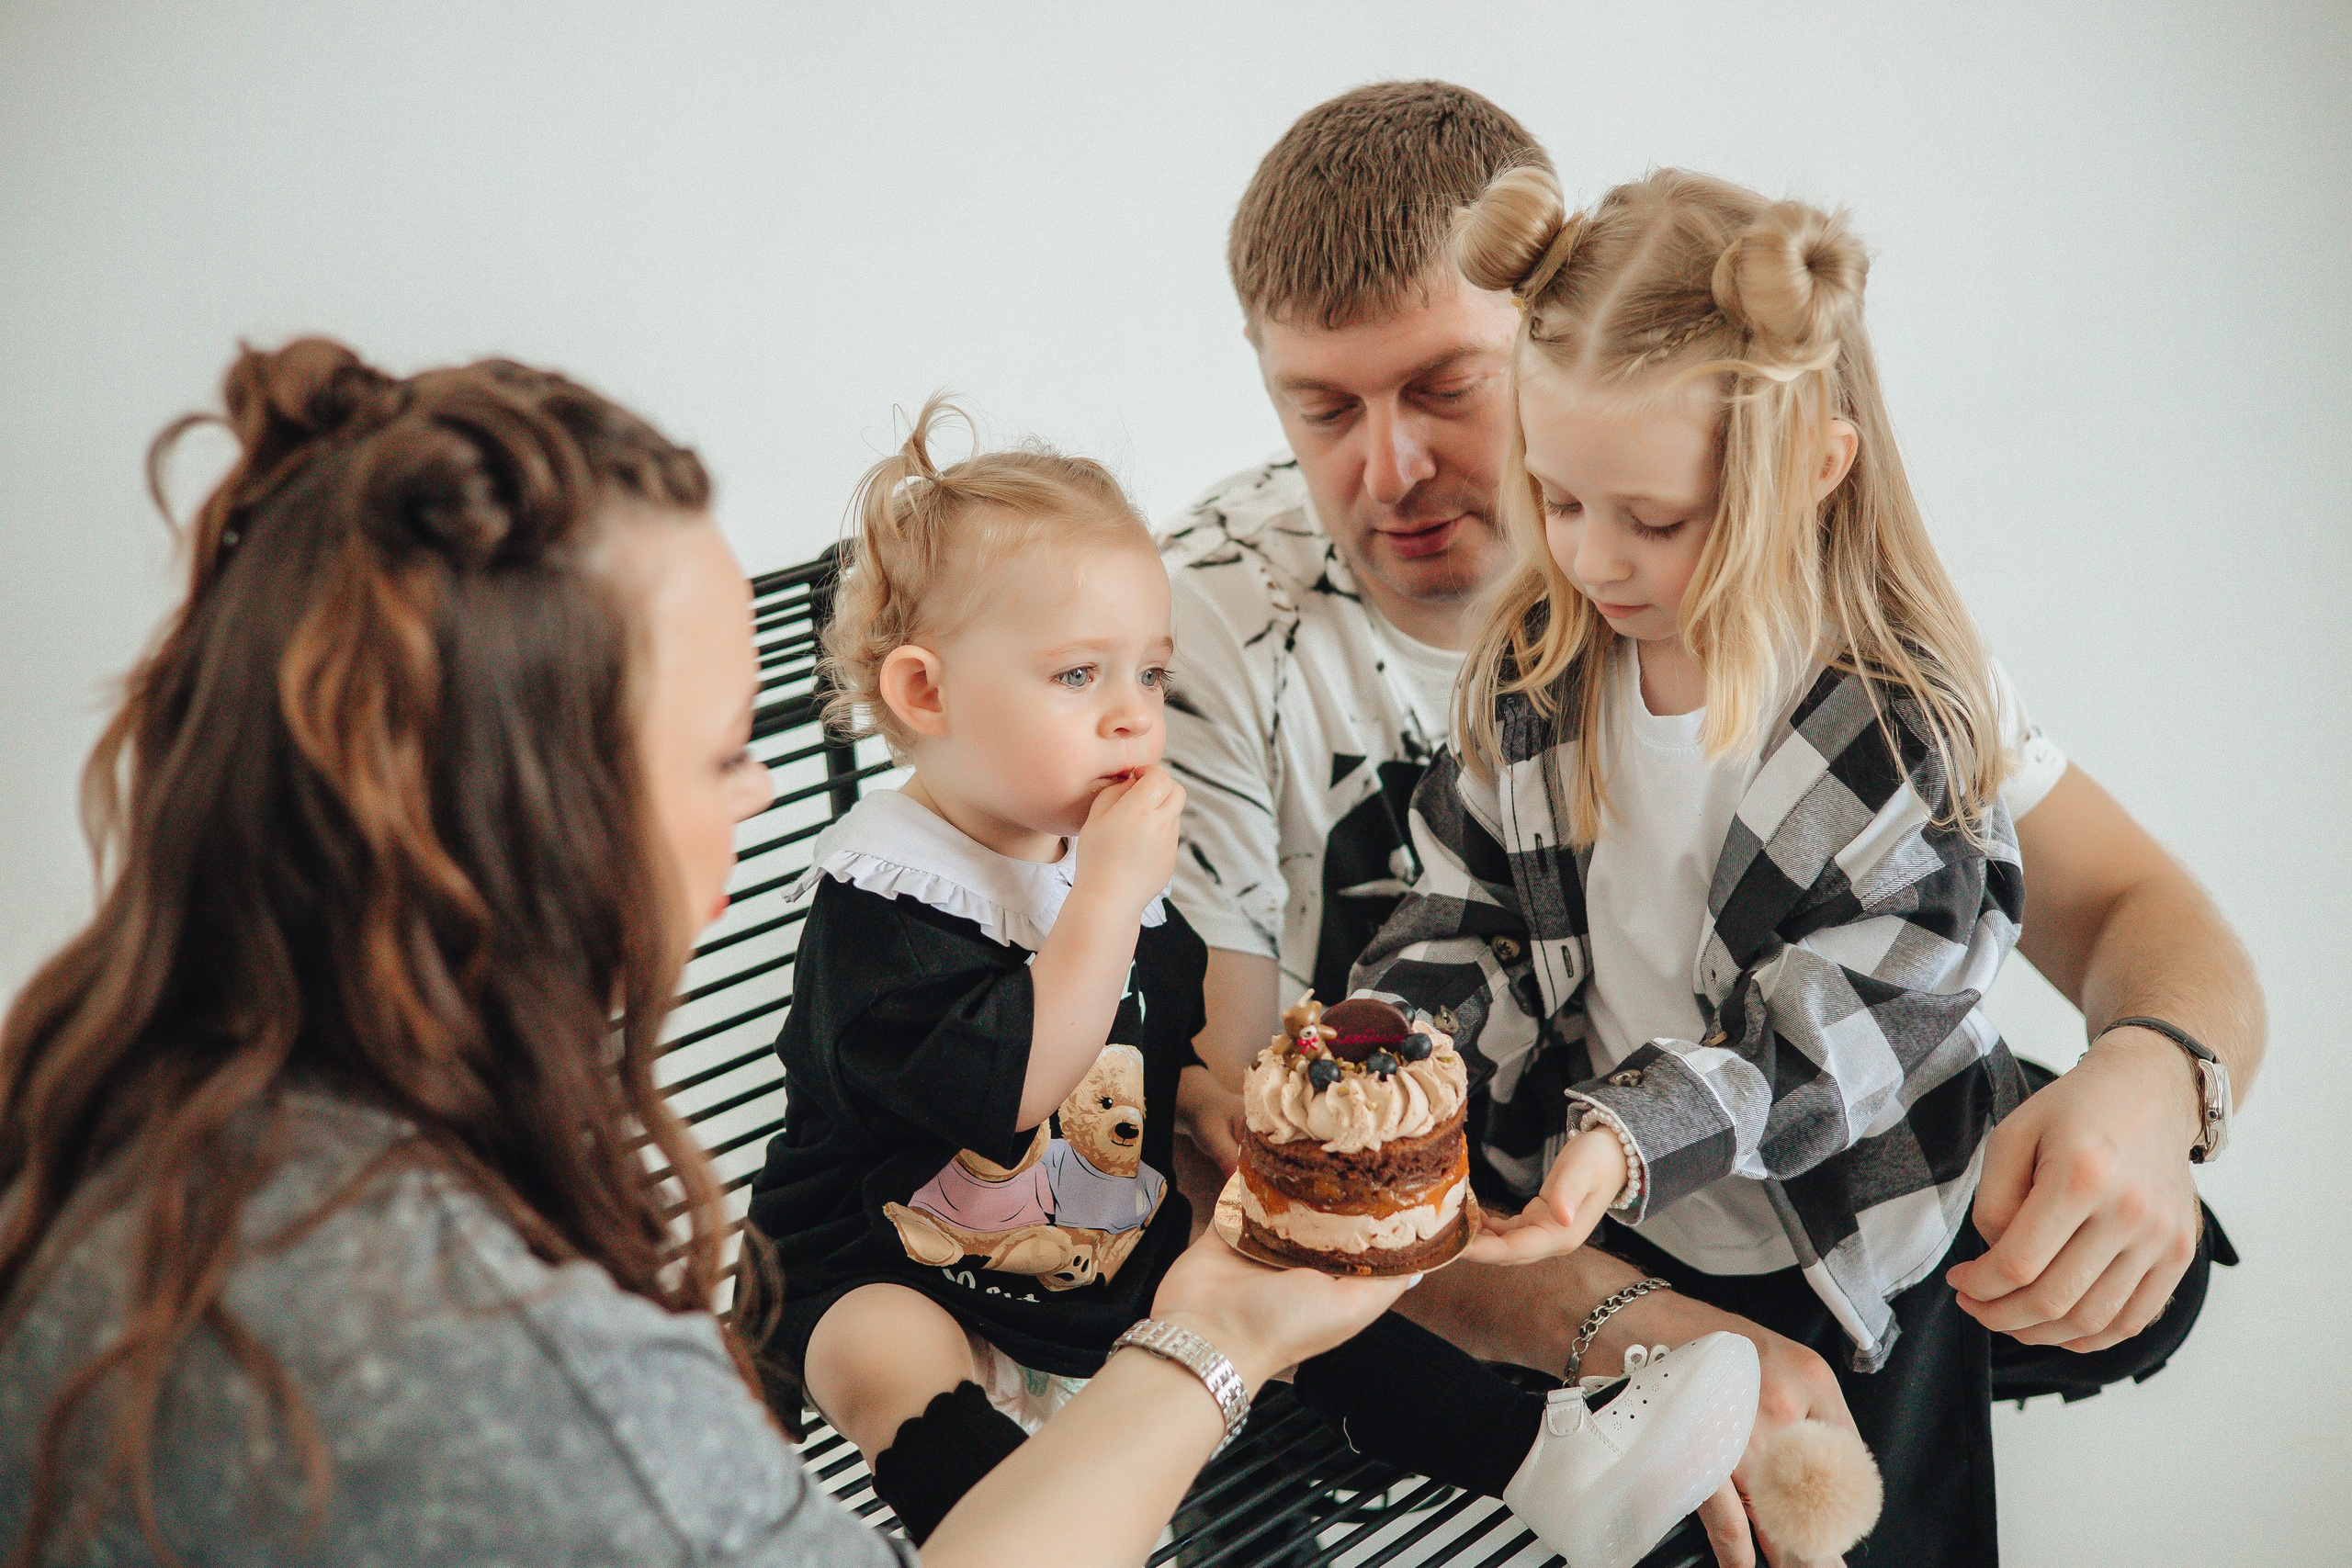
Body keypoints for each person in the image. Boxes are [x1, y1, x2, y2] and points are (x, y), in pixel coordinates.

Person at [0, 339, 1419, 1568]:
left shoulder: (122, 1104)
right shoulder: (507, 1370)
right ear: (528, 821)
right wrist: (1225, 1330)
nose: (759, 794)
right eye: (728, 749)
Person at [1160, 82, 2256, 1564]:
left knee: (1907, 1452)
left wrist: (2156, 1074)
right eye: (1323, 407)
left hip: (1806, 1162)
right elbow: (1349, 1041)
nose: (1396, 469)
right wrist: (1413, 1073)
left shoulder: (1878, 700)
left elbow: (2036, 940)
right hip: (1581, 1212)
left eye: (1444, 389)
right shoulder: (1383, 644)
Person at [741, 397, 1760, 1568]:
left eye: (1150, 673)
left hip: (1093, 1260)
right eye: (1077, 675)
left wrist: (1187, 1100)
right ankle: (1015, 1518)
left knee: (1287, 1289)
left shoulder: (1085, 853)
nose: (1133, 714)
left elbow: (1142, 1025)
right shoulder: (887, 900)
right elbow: (1008, 1085)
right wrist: (1108, 900)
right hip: (876, 1252)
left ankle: (1551, 1461)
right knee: (879, 1352)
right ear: (926, 697)